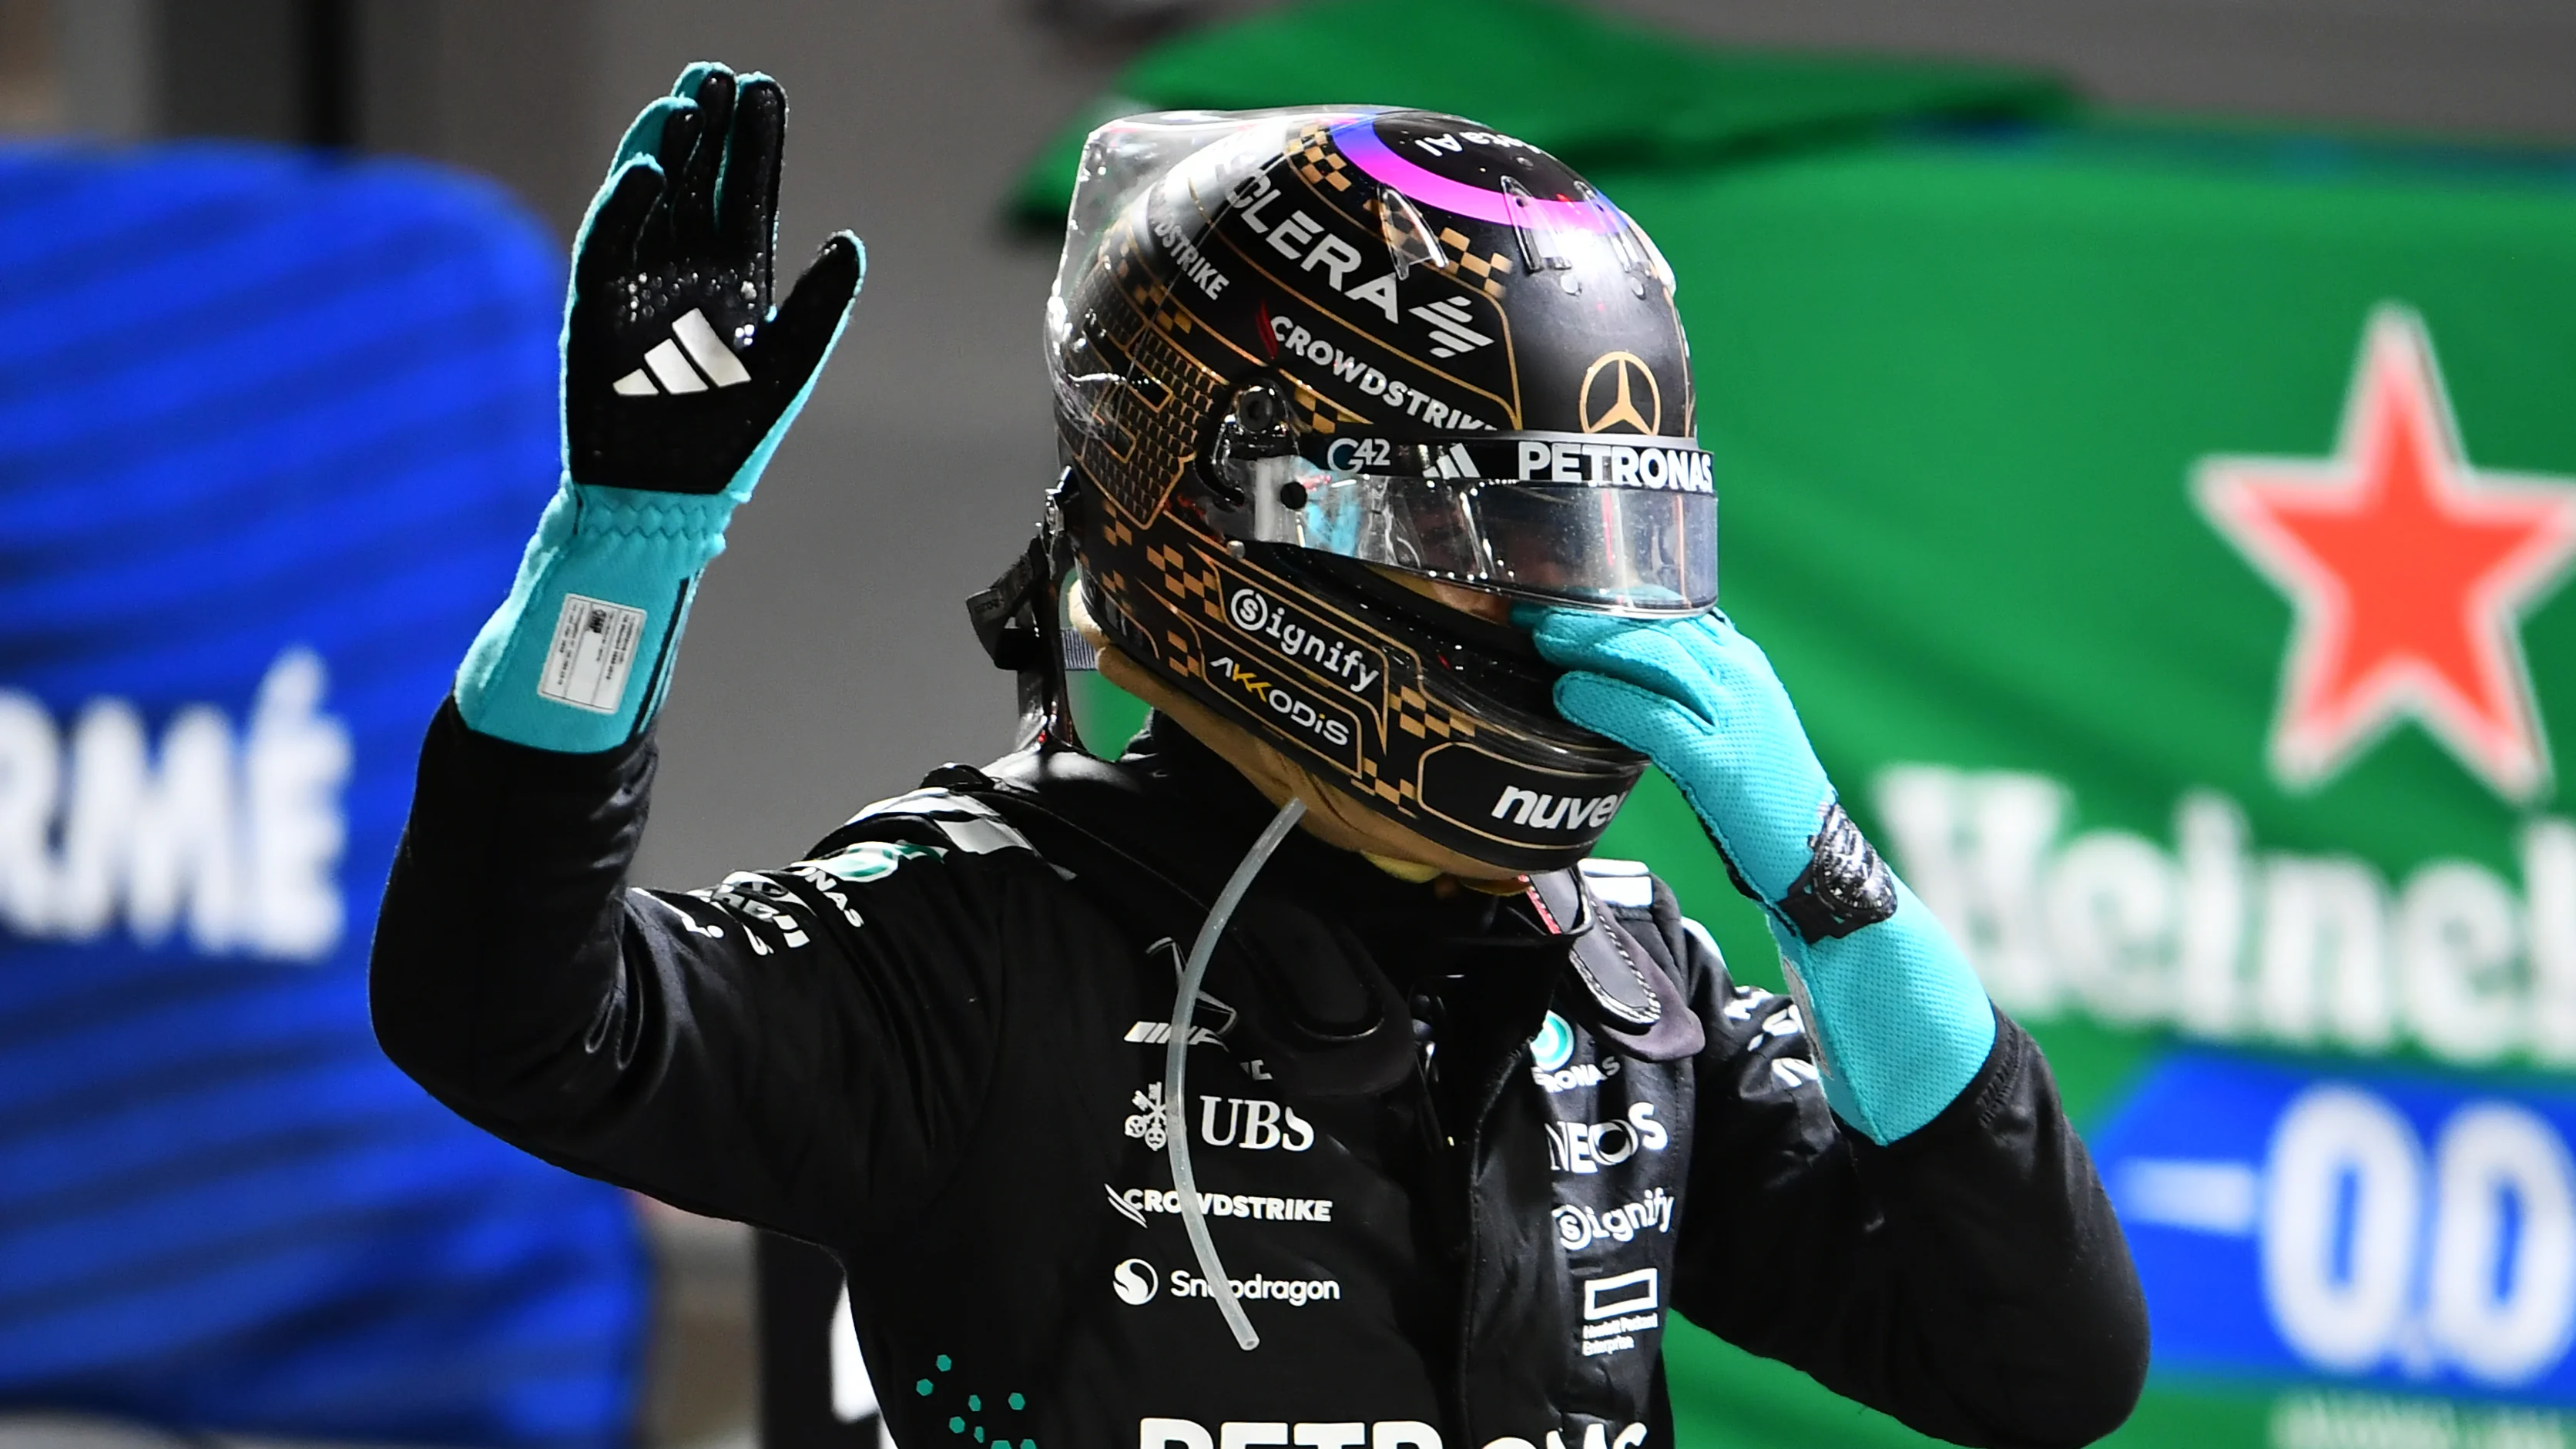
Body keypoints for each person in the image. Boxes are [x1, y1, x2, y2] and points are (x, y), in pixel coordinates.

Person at [373, 65, 2148, 1449]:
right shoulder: (976, 937)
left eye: (1617, 546)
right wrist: (617, 556)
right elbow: (515, 1022)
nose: (1588, 620)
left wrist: (1830, 887)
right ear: (1254, 523)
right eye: (1518, 543)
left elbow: (2042, 1367)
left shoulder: (1618, 976)